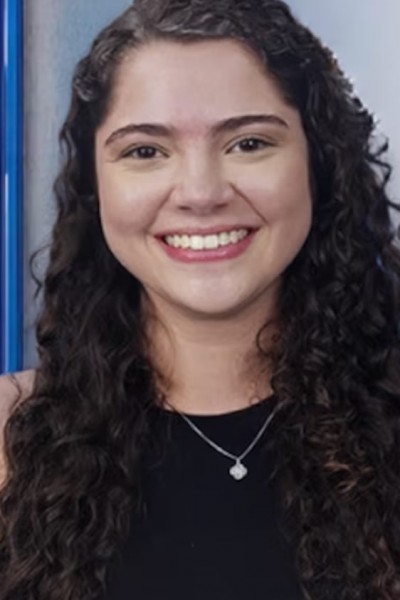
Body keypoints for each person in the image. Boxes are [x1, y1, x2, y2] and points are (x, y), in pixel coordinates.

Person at [1, 0, 400, 598]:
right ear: (94, 186)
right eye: (145, 151)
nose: (201, 192)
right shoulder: (9, 437)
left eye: (248, 143)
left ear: (319, 164)